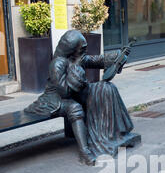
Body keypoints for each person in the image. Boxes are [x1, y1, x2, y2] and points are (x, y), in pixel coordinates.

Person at [25, 30, 138, 165]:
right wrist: (76, 67)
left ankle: (116, 133)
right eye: (82, 49)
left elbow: (97, 60)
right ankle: (85, 152)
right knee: (74, 107)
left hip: (74, 93)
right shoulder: (57, 64)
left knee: (107, 88)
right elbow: (65, 92)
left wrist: (117, 57)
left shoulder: (78, 58)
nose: (85, 51)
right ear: (72, 49)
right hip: (54, 99)